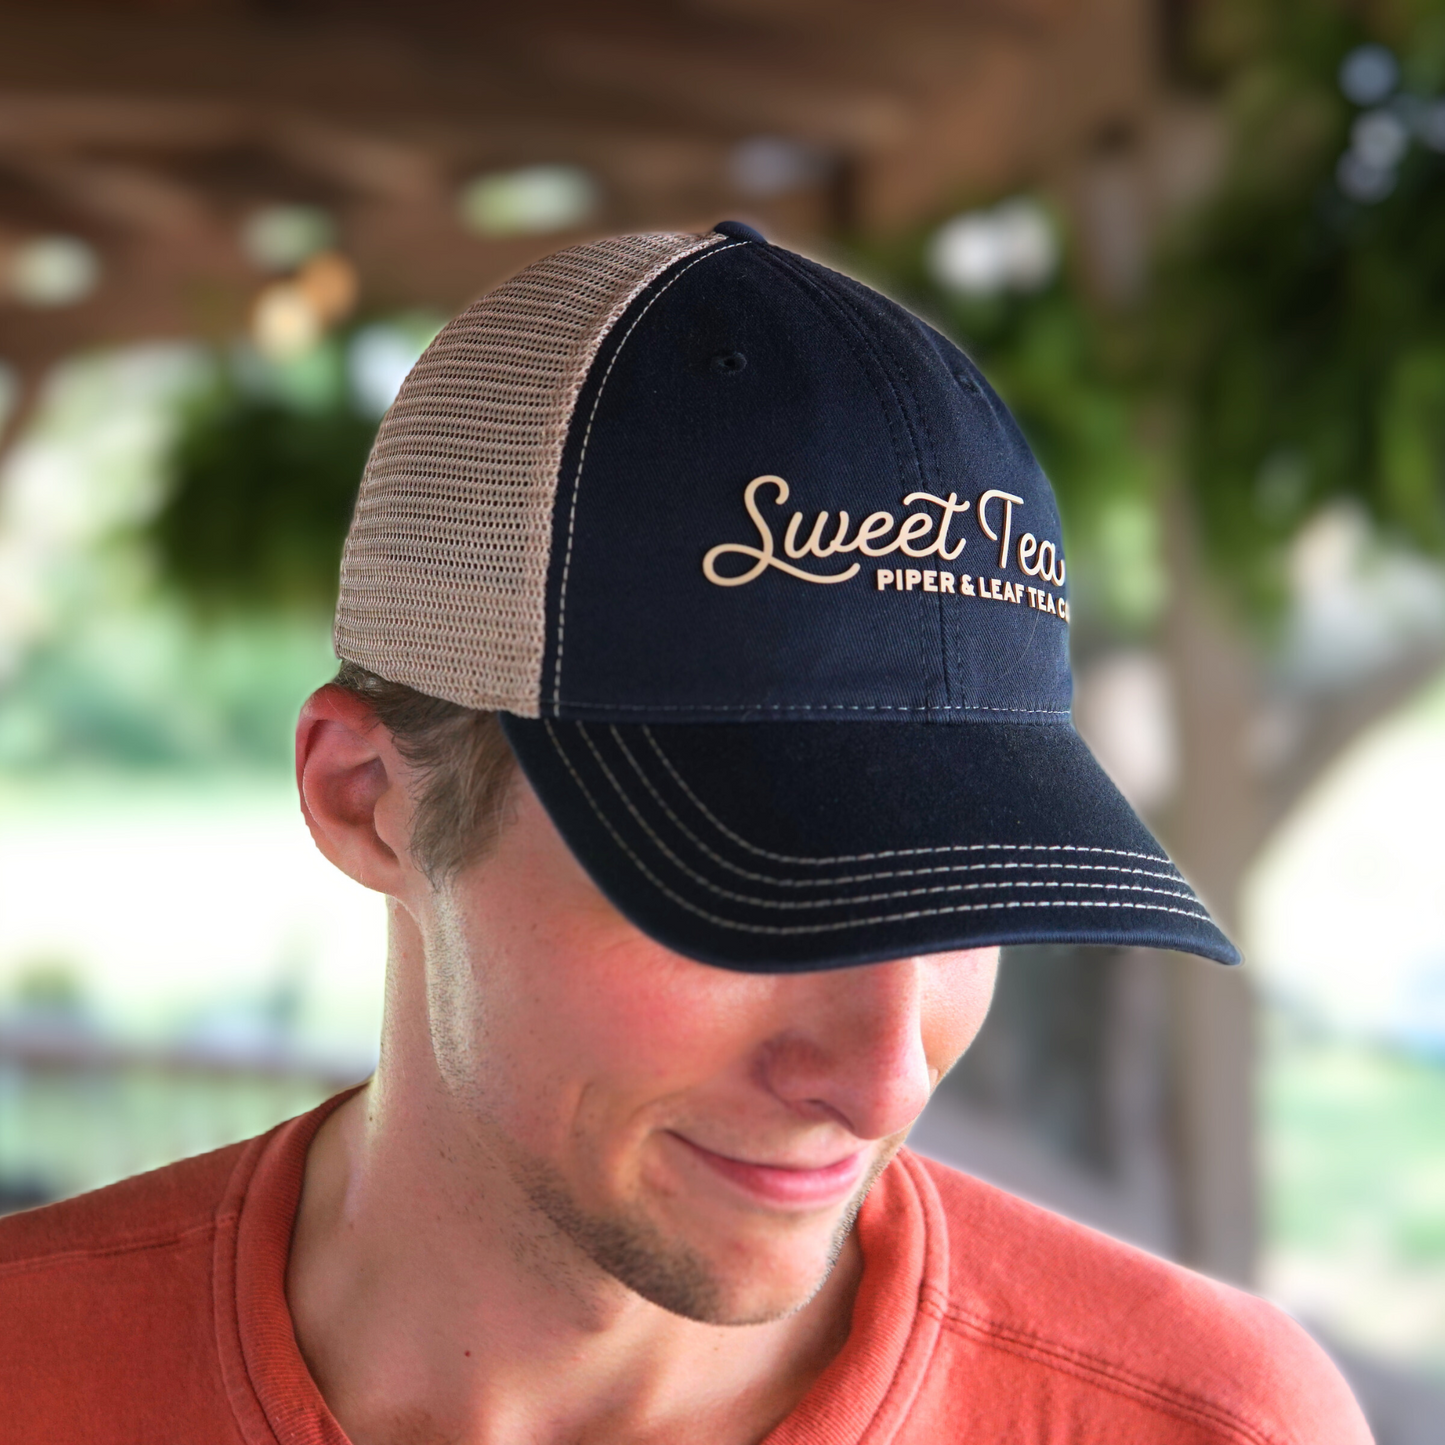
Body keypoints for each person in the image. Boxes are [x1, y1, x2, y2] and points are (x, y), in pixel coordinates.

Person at [0, 222, 1371, 1444]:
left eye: (960, 905)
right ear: (368, 798)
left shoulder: (1212, 1422)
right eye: (764, 899)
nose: (887, 1080)